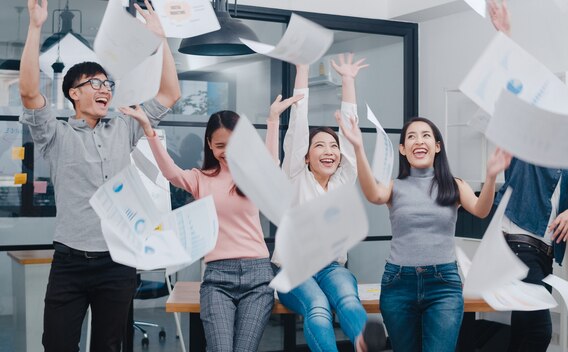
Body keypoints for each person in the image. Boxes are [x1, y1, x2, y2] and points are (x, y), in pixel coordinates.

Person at [19, 0, 180, 350]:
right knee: (58, 344)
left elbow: (170, 94)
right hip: (70, 263)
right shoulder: (55, 135)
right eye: (94, 83)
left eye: (108, 83)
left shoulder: (125, 127)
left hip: (118, 262)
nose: (105, 88)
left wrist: (161, 40)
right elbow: (29, 92)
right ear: (73, 94)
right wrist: (35, 27)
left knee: (109, 346)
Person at [120, 95, 302, 351]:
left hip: (258, 276)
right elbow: (171, 172)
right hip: (217, 278)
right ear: (209, 144)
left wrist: (273, 120)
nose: (226, 152)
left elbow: (271, 163)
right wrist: (149, 131)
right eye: (219, 145)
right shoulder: (200, 179)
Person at [338, 113, 512, 351]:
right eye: (411, 137)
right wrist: (358, 148)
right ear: (402, 149)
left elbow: (482, 211)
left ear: (437, 146)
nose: (419, 141)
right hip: (398, 283)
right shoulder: (394, 187)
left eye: (426, 136)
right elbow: (372, 194)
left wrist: (491, 177)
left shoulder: (454, 184)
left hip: (444, 285)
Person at [488, 1, 568, 351]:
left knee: (525, 331)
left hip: (544, 253)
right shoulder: (528, 149)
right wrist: (505, 36)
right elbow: (512, 100)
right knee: (538, 331)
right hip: (517, 244)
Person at [271, 55, 385, 352]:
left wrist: (348, 81)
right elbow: (297, 125)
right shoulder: (295, 175)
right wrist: (303, 70)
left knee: (348, 299)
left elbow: (350, 134)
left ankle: (364, 344)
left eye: (333, 146)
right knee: (319, 307)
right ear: (306, 156)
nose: (329, 151)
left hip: (332, 268)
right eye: (319, 145)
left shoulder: (342, 181)